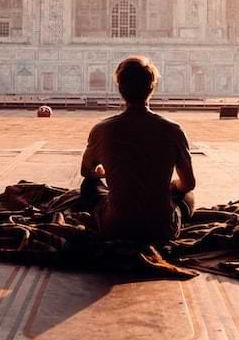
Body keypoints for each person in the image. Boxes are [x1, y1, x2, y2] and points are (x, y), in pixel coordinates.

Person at [80, 55, 195, 242]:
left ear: (120, 88)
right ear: (152, 87)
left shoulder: (103, 129)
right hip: (161, 229)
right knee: (186, 194)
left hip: (115, 228)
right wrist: (172, 185)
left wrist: (106, 173)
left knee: (89, 186)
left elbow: (86, 171)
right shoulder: (172, 129)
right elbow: (188, 183)